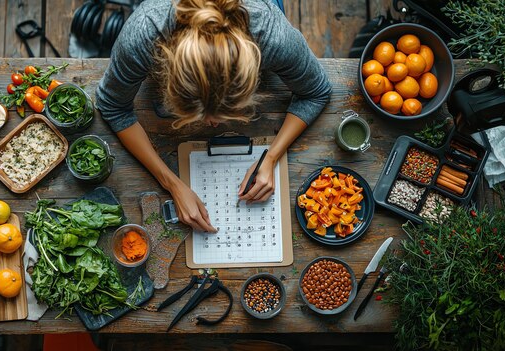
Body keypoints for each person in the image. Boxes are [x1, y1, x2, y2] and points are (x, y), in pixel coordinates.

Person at [96, 0, 332, 233]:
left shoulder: (273, 36)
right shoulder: (143, 35)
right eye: (197, 116)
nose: (213, 125)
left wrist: (271, 157)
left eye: (227, 114)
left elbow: (316, 91)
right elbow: (112, 105)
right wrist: (172, 184)